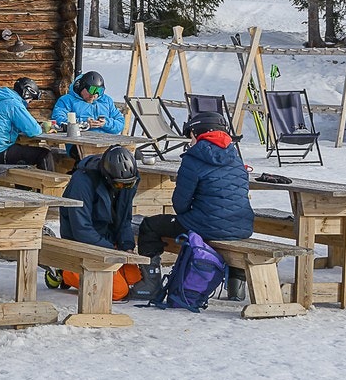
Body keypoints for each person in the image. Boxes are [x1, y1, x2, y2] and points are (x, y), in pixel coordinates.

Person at [134, 111, 254, 296]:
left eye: (190, 136)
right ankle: (236, 289)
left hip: (207, 225)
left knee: (150, 226)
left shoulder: (193, 158)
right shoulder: (235, 156)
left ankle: (151, 283)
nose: (189, 141)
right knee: (226, 232)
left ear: (198, 134)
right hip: (241, 226)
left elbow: (180, 204)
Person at [54, 144, 146, 299]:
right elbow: (81, 229)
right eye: (119, 184)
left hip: (109, 242)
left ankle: (85, 272)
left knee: (135, 281)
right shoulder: (82, 182)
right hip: (84, 243)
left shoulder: (128, 180)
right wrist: (111, 250)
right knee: (118, 292)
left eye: (127, 185)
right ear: (107, 176)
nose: (123, 188)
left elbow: (125, 219)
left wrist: (127, 246)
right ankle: (65, 272)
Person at [0, 77, 53, 171]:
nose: (29, 103)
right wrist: (42, 126)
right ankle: (52, 185)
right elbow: (34, 130)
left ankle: (25, 185)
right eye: (31, 99)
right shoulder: (13, 103)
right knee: (44, 154)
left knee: (22, 159)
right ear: (26, 93)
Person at [50, 70, 125, 134]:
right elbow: (58, 120)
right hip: (78, 144)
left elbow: (120, 123)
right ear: (81, 87)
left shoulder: (106, 101)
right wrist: (84, 124)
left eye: (99, 91)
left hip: (106, 142)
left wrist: (106, 123)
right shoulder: (67, 100)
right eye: (91, 90)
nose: (94, 94)